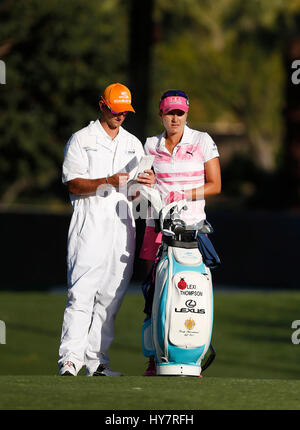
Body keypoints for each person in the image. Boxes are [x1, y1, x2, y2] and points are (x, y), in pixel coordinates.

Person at [58, 83, 155, 376]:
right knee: (82, 292)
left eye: (125, 112)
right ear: (102, 105)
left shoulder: (133, 144)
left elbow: (134, 195)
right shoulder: (81, 139)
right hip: (89, 225)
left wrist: (143, 185)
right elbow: (73, 183)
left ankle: (95, 359)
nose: (120, 116)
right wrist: (108, 181)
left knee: (111, 296)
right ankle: (70, 359)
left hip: (122, 227)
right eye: (115, 110)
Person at [139, 89, 221, 376]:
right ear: (160, 113)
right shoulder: (149, 145)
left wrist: (183, 193)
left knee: (191, 293)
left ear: (187, 114)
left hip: (192, 232)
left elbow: (215, 184)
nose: (175, 118)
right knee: (153, 296)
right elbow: (142, 187)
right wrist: (145, 181)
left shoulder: (202, 141)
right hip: (156, 229)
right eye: (169, 113)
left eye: (180, 113)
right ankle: (155, 358)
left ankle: (192, 356)